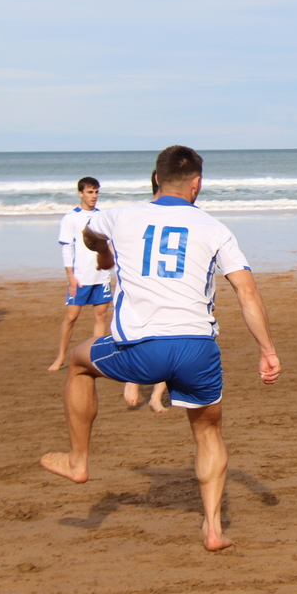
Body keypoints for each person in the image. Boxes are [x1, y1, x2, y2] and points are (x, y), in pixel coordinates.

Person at [40, 145, 281, 551]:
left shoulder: (118, 216)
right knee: (208, 432)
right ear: (197, 183)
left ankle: (79, 460)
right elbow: (247, 292)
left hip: (141, 348)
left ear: (156, 178)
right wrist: (267, 351)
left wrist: (104, 252)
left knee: (79, 363)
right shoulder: (215, 228)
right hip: (196, 349)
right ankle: (213, 529)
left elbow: (90, 233)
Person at [47, 178, 113, 372]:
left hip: (101, 277)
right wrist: (71, 276)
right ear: (80, 193)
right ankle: (61, 357)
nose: (94, 196)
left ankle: (96, 359)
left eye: (96, 192)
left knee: (101, 316)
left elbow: (110, 245)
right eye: (90, 192)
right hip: (81, 277)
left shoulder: (102, 217)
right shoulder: (71, 218)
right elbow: (67, 248)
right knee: (71, 316)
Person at [122, 170, 169, 413]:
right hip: (143, 286)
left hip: (169, 286)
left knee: (170, 341)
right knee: (143, 336)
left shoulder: (181, 214)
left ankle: (156, 396)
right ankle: (133, 380)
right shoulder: (137, 216)